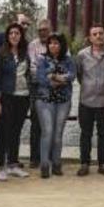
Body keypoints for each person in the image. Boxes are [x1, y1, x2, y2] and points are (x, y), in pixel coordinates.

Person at [0, 13, 31, 169]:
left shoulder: (26, 53)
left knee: (16, 130)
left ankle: (13, 161)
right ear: (7, 36)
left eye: (17, 33)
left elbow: (29, 73)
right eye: (11, 33)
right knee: (5, 129)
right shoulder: (1, 54)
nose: (14, 36)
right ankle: (0, 164)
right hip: (7, 96)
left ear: (21, 35)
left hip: (23, 96)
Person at [75, 24, 104, 177]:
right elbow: (80, 75)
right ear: (90, 37)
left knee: (103, 133)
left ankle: (103, 164)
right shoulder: (82, 55)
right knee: (85, 133)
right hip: (86, 100)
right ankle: (84, 163)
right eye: (95, 34)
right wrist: (89, 87)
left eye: (101, 33)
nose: (98, 36)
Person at [34, 33, 75, 179]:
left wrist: (53, 76)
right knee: (47, 132)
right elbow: (40, 78)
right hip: (45, 99)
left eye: (56, 43)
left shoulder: (68, 60)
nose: (53, 46)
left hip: (63, 100)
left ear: (62, 45)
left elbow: (72, 76)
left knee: (58, 133)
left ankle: (57, 163)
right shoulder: (42, 59)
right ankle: (44, 165)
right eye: (50, 43)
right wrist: (58, 78)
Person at [27, 18, 53, 169]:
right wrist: (51, 73)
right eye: (40, 30)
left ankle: (50, 157)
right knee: (36, 123)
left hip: (55, 89)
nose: (42, 33)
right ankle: (34, 158)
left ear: (51, 30)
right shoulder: (33, 45)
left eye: (45, 30)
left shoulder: (59, 43)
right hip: (37, 88)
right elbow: (32, 68)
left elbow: (65, 64)